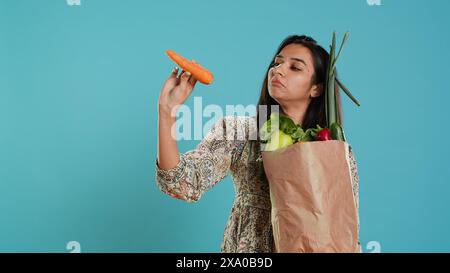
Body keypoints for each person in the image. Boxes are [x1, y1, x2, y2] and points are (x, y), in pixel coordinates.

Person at [155, 35, 360, 253]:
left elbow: (345, 225)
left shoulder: (331, 148)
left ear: (316, 89)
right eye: (277, 62)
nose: (278, 70)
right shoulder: (240, 133)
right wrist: (167, 112)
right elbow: (181, 184)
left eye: (295, 67)